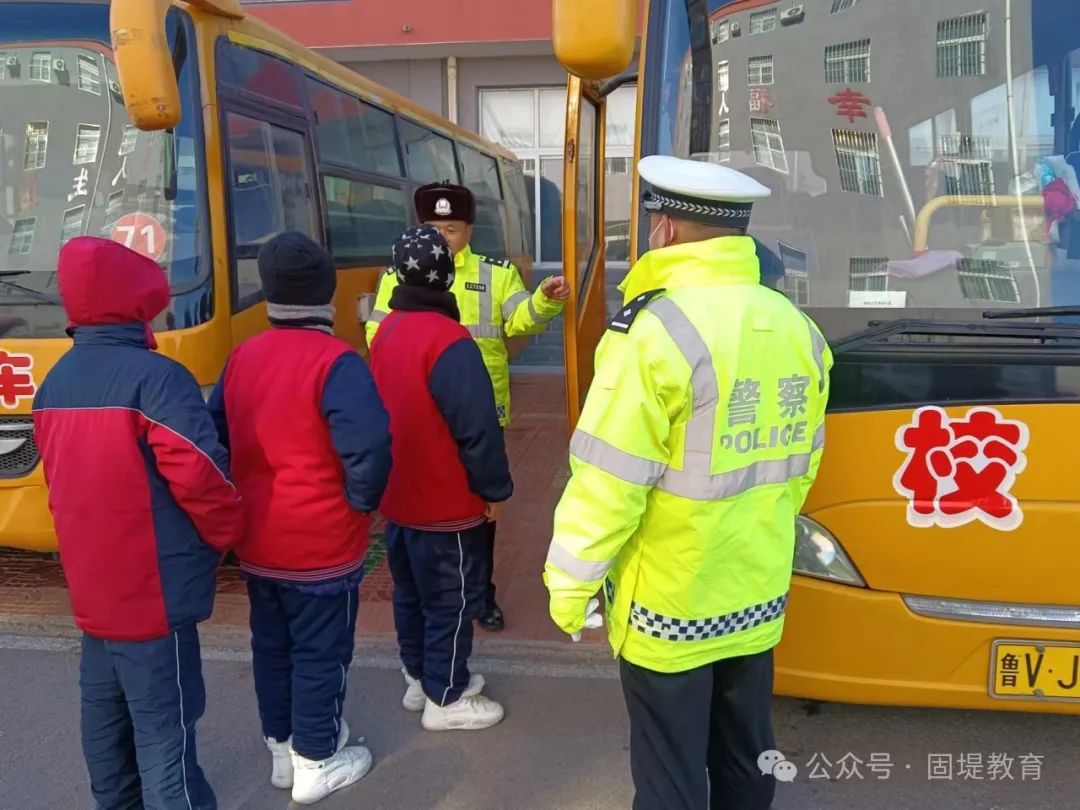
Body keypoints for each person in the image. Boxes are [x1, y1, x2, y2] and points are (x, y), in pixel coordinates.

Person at [543, 155, 832, 810]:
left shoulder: (653, 332)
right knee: (745, 754)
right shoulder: (798, 328)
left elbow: (608, 481)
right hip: (755, 591)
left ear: (665, 230)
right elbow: (801, 466)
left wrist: (570, 585)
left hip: (668, 604)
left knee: (670, 774)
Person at [32, 236, 244, 810]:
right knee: (165, 735)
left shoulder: (54, 384)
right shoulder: (157, 380)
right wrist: (228, 535)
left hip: (93, 592)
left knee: (105, 728)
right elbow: (202, 478)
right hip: (153, 594)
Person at [207, 232, 392, 805]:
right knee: (321, 651)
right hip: (322, 543)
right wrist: (361, 504)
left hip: (258, 540)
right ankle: (318, 758)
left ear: (268, 295)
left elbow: (215, 435)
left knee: (273, 646)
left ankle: (283, 752)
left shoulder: (242, 357)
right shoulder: (337, 362)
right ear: (328, 295)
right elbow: (370, 448)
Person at [366, 181, 569, 633]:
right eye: (433, 228)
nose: (442, 238)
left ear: (469, 230)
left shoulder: (496, 274)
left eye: (452, 228)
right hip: (419, 417)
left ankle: (480, 595)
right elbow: (376, 337)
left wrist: (544, 301)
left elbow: (520, 318)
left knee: (483, 511)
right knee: (424, 507)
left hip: (481, 413)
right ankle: (431, 598)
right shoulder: (397, 275)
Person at [370, 225, 513, 731]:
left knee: (409, 593)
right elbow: (477, 428)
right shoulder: (450, 341)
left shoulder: (386, 331)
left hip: (399, 496)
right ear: (446, 276)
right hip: (446, 501)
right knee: (450, 600)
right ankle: (446, 696)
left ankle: (421, 678)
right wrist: (494, 490)